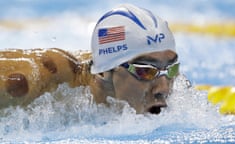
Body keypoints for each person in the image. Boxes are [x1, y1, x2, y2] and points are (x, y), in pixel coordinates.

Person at [0, 4, 179, 114]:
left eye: (171, 69)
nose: (164, 89)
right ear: (103, 71)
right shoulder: (28, 82)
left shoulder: (174, 85)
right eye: (145, 71)